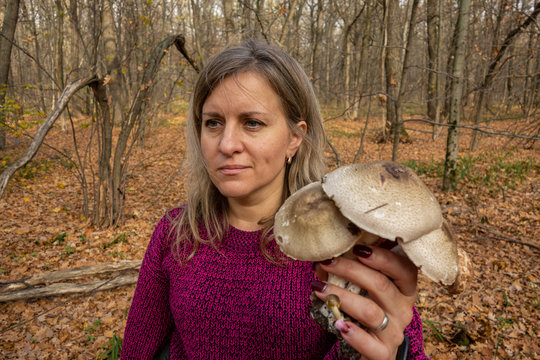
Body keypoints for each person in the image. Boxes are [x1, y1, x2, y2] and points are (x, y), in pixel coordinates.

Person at [121, 39, 429, 360]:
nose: (227, 144)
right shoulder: (176, 232)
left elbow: (401, 344)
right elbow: (136, 349)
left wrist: (394, 350)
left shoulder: (346, 244)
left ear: (294, 139)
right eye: (213, 122)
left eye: (252, 123)